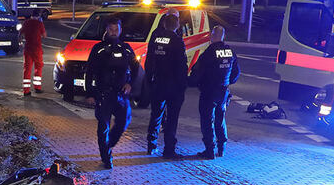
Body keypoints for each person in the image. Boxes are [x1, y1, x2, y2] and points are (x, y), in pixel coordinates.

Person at [83, 17, 141, 169]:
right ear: (106, 30)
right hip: (103, 93)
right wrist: (89, 94)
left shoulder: (126, 48)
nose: (113, 32)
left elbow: (136, 69)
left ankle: (109, 144)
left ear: (121, 30)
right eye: (111, 29)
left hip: (121, 94)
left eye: (116, 29)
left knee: (124, 120)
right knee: (103, 126)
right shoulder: (98, 49)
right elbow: (89, 72)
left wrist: (130, 84)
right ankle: (106, 157)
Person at [188, 25, 240, 159]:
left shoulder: (209, 53)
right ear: (223, 36)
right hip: (223, 91)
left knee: (207, 120)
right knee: (220, 119)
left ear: (212, 36)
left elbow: (197, 72)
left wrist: (190, 83)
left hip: (209, 91)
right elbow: (236, 73)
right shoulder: (230, 52)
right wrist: (227, 82)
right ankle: (221, 147)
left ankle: (209, 150)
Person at [143, 13, 187, 159]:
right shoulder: (177, 41)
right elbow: (182, 66)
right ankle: (169, 149)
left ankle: (151, 144)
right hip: (173, 85)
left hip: (158, 83)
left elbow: (149, 61)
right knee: (171, 119)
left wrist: (149, 79)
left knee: (156, 115)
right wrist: (182, 85)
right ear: (177, 25)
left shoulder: (156, 39)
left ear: (164, 24)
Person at [19, 10, 46, 95]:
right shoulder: (39, 24)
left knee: (27, 69)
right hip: (37, 48)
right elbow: (44, 35)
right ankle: (37, 87)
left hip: (28, 48)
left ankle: (26, 90)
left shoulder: (26, 23)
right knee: (38, 67)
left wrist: (21, 43)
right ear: (39, 16)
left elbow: (20, 34)